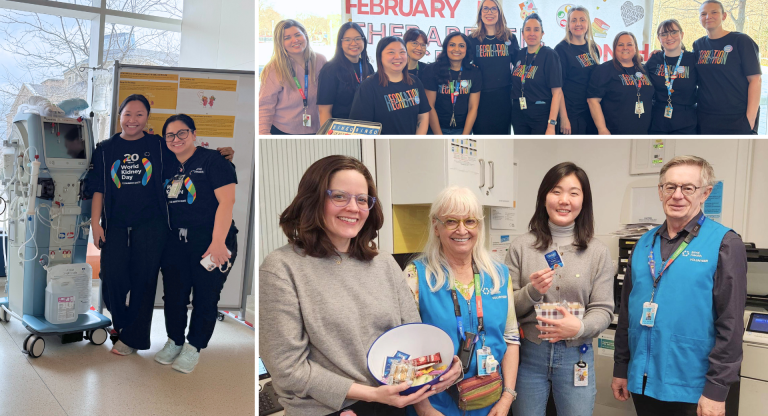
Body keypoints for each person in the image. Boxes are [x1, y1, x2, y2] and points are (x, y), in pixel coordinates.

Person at [259, 155, 462, 416]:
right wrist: (369, 394)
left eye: (362, 199)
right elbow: (288, 369)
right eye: (340, 196)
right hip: (327, 408)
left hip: (393, 402)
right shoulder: (282, 267)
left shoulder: (384, 263)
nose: (354, 208)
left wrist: (442, 366)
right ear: (313, 200)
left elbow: (412, 340)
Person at [84, 94, 234, 356]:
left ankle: (135, 339)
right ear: (119, 116)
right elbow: (98, 189)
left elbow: (189, 153)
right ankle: (123, 326)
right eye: (128, 114)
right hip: (116, 225)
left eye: (139, 114)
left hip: (151, 227)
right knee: (112, 280)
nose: (133, 120)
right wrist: (96, 224)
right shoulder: (105, 149)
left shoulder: (157, 144)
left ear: (147, 119)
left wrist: (223, 154)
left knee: (145, 282)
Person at [612, 156, 747, 416]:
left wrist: (717, 390)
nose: (677, 195)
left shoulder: (725, 243)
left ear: (705, 193)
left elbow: (730, 324)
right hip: (642, 380)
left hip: (693, 386)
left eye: (688, 188)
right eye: (670, 187)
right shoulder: (643, 244)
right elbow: (627, 313)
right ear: (660, 192)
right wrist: (621, 367)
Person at [505, 162, 614, 416]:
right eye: (556, 191)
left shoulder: (597, 252)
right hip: (529, 355)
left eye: (574, 193)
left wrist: (581, 328)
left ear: (583, 201)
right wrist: (531, 291)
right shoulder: (521, 247)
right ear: (544, 197)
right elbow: (506, 308)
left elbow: (604, 309)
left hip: (577, 354)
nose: (564, 200)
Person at [404, 186, 520, 416]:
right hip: (435, 404)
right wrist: (424, 410)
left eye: (470, 221)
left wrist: (507, 398)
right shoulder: (415, 276)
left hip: (490, 403)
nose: (462, 230)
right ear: (436, 226)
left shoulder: (499, 275)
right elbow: (405, 350)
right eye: (451, 221)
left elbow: (511, 338)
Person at [152, 114, 238, 374]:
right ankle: (175, 341)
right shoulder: (165, 164)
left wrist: (218, 242)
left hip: (211, 240)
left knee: (205, 297)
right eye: (170, 135)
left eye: (181, 133)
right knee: (174, 296)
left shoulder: (213, 161)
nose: (176, 139)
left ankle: (194, 347)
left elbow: (227, 202)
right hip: (175, 241)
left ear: (193, 134)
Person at [694, 0, 761, 134]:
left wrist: (750, 119)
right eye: (703, 14)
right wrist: (660, 53)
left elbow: (755, 80)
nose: (708, 17)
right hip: (705, 116)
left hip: (737, 117)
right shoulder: (698, 45)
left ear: (724, 16)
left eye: (714, 12)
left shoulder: (741, 41)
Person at [349, 36, 431, 135]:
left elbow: (423, 115)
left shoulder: (415, 82)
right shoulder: (368, 87)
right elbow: (360, 127)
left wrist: (417, 141)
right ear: (380, 56)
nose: (398, 57)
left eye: (402, 52)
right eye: (391, 52)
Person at [259, 19, 327, 134]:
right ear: (280, 43)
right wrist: (263, 133)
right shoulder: (273, 68)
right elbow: (265, 106)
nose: (295, 40)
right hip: (283, 130)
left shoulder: (320, 60)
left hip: (317, 129)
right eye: (287, 38)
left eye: (297, 35)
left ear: (305, 35)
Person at [468, 0, 519, 135]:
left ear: (499, 13)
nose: (489, 12)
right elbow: (465, 66)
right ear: (480, 14)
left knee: (503, 139)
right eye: (485, 9)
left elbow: (519, 66)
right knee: (482, 140)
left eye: (493, 9)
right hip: (480, 97)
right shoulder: (472, 39)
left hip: (503, 96)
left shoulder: (510, 38)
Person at [587, 32, 654, 135]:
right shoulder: (604, 70)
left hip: (643, 132)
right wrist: (602, 129)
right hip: (615, 132)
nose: (625, 48)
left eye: (629, 44)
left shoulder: (644, 69)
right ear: (614, 48)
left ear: (635, 48)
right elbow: (593, 101)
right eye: (620, 45)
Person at [510, 13, 562, 135]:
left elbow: (557, 93)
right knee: (521, 152)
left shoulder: (549, 55)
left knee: (540, 152)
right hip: (519, 113)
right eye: (528, 29)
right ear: (522, 34)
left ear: (542, 34)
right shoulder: (519, 55)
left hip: (541, 115)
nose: (532, 33)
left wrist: (551, 125)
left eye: (536, 29)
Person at [422, 32, 482, 135]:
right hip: (435, 129)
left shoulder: (474, 72)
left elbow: (473, 107)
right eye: (452, 45)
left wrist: (465, 136)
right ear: (446, 48)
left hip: (462, 130)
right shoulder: (432, 70)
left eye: (461, 46)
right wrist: (439, 137)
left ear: (466, 50)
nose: (456, 49)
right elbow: (430, 106)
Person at [644, 20, 698, 135]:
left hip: (686, 121)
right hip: (657, 121)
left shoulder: (693, 59)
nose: (669, 37)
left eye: (673, 32)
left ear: (681, 35)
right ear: (659, 38)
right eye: (663, 34)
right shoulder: (654, 59)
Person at [554, 6, 601, 135]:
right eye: (574, 20)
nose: (578, 24)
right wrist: (564, 118)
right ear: (568, 25)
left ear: (588, 24)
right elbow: (558, 88)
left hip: (591, 112)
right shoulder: (561, 49)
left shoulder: (593, 47)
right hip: (572, 114)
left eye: (582, 20)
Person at [317, 23, 374, 127]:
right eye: (347, 39)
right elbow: (324, 111)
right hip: (341, 129)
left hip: (365, 127)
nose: (353, 43)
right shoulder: (330, 69)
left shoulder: (368, 66)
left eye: (358, 38)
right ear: (340, 43)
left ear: (363, 41)